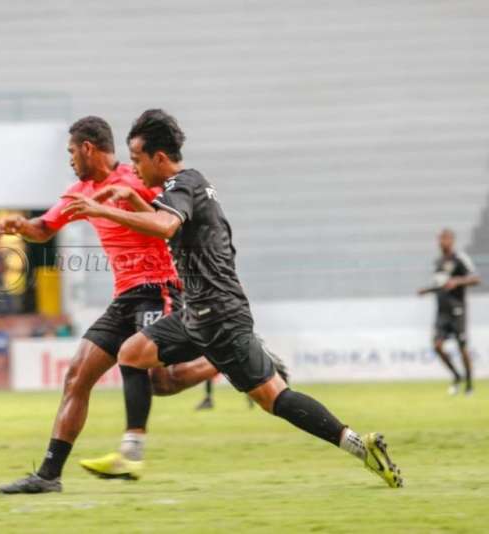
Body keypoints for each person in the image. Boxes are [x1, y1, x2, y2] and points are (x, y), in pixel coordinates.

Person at [63, 109, 403, 488]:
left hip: (218, 314)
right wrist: (131, 197)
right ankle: (131, 454)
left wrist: (102, 208)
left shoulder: (182, 185)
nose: (133, 168)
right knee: (132, 354)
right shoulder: (187, 187)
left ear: (159, 158)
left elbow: (164, 226)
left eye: (137, 159)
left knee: (275, 399)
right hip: (201, 310)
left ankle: (358, 444)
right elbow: (168, 230)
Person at [0, 116, 219, 494]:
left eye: (71, 151)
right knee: (77, 377)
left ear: (88, 148)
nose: (69, 159)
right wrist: (22, 226)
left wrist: (124, 203)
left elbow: (167, 222)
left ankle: (223, 359)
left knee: (160, 382)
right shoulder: (78, 191)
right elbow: (44, 228)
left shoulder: (136, 181)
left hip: (159, 287)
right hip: (124, 297)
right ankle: (49, 475)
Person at [417, 229, 481, 395]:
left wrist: (458, 281)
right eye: (439, 239)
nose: (441, 242)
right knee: (437, 346)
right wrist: (427, 290)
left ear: (452, 240)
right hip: (441, 312)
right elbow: (441, 285)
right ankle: (456, 376)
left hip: (457, 310)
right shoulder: (438, 262)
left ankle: (469, 384)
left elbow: (476, 278)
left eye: (444, 239)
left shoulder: (459, 258)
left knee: (462, 347)